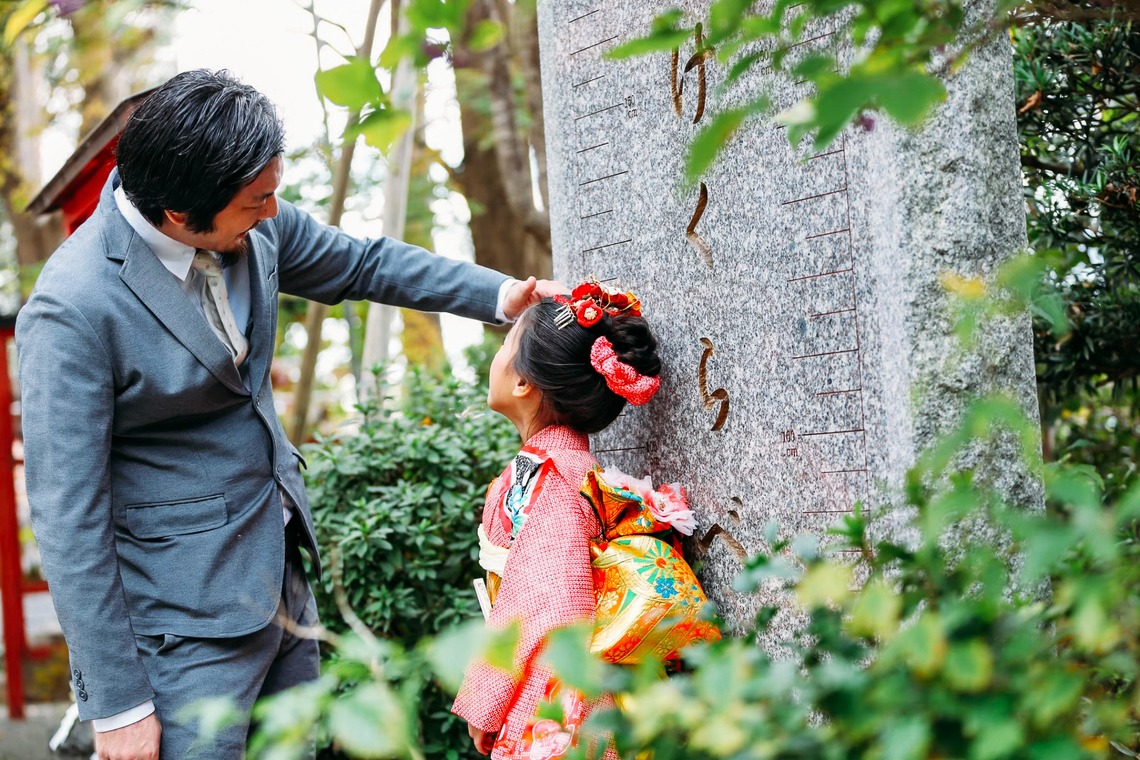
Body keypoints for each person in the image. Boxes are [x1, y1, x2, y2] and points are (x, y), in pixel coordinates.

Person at [15, 68, 560, 760]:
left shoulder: (253, 221)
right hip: (180, 626)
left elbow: (363, 264)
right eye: (256, 201)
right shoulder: (73, 308)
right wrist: (118, 702)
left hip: (281, 578)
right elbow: (69, 515)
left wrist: (505, 295)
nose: (273, 212)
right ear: (181, 215)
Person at [451, 283, 669, 759]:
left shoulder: (552, 474)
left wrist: (485, 702)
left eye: (506, 345)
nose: (497, 356)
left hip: (555, 697)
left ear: (524, 383)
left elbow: (547, 601)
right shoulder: (558, 467)